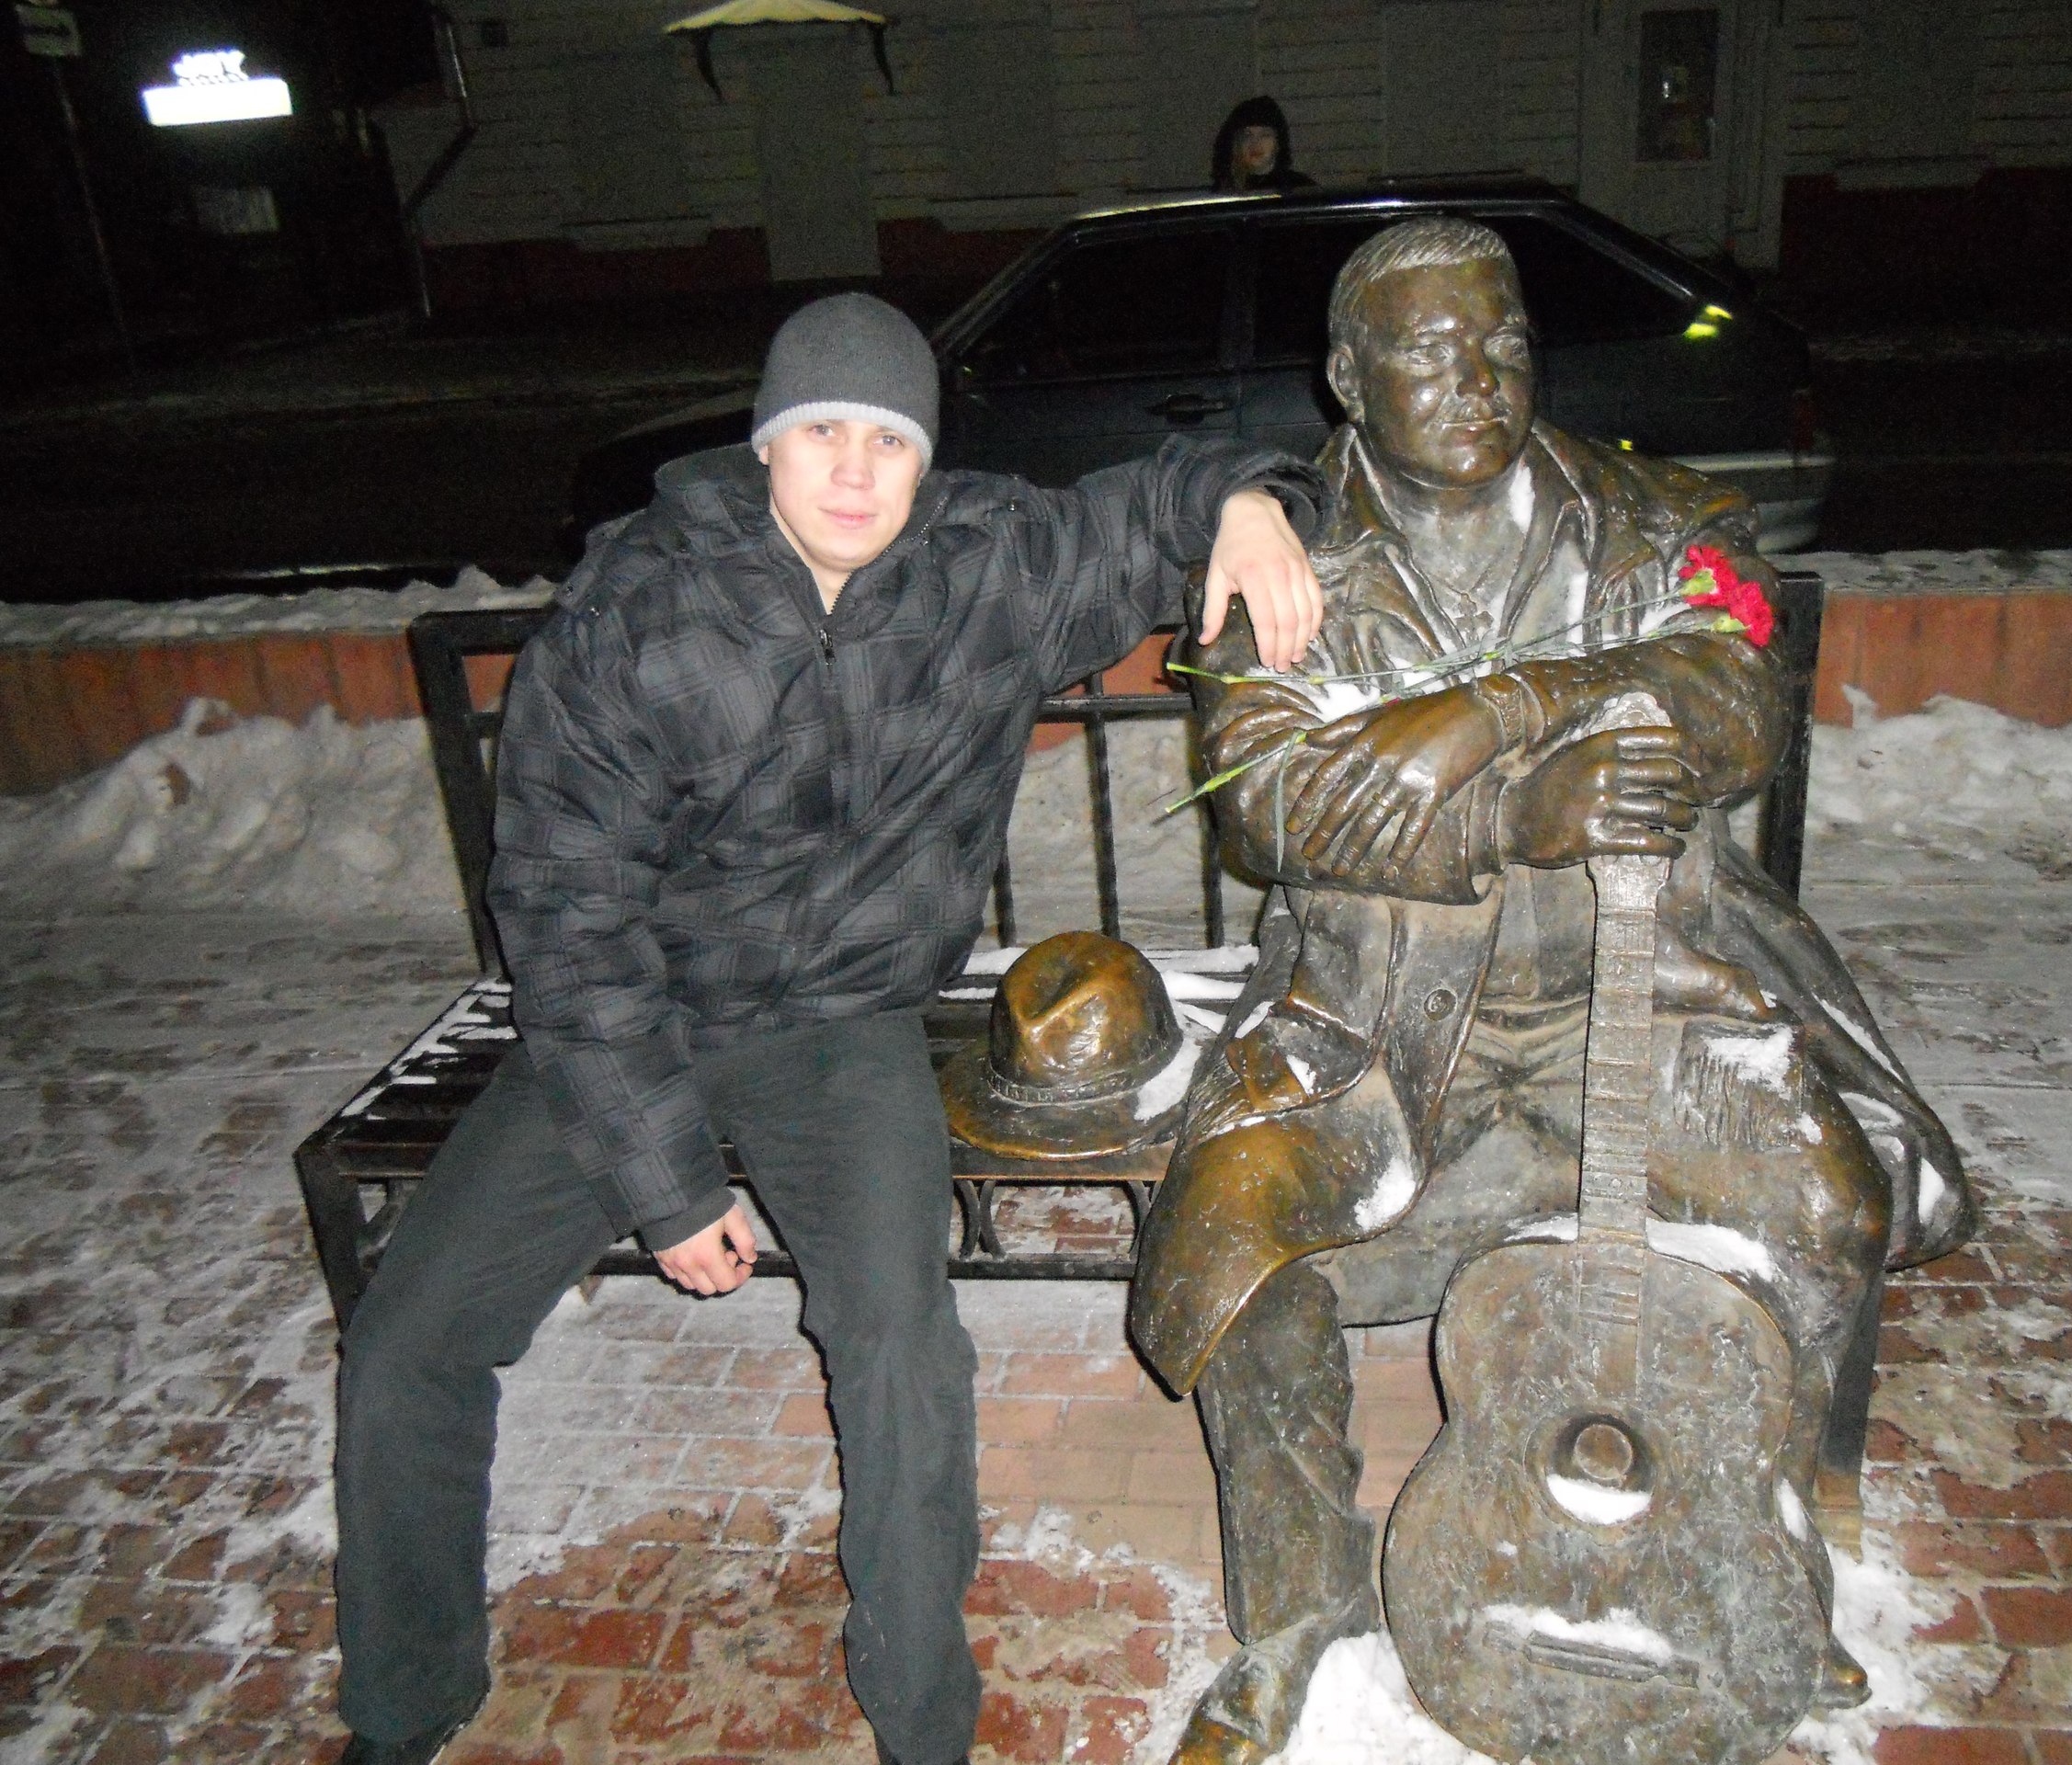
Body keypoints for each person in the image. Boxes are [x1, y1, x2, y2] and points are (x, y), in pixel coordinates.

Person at [330, 291, 1326, 1765]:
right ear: (765, 446)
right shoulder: (636, 614)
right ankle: (405, 1704)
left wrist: (1247, 506)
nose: (856, 471)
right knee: (408, 1344)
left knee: (901, 1348)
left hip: (843, 1025)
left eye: (889, 440)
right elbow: (566, 917)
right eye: (821, 435)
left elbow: (1164, 496)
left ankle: (923, 1723)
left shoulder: (984, 570)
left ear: (926, 458)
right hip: (632, 1025)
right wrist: (668, 1183)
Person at [1129, 219, 1975, 1765]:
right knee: (1239, 1248)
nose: (1481, 378)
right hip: (1377, 1034)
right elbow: (1272, 802)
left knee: (1827, 1207)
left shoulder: (1655, 517)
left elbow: (1733, 688)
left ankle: (1754, 1552)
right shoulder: (1289, 564)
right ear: (1348, 378)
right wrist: (1511, 816)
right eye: (1431, 351)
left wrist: (1498, 704)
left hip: (1650, 1003)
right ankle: (1297, 1619)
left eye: (1505, 340)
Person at [1211, 95, 1313, 193]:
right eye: (1247, 135)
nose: (1255, 143)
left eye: (1265, 135)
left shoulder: (1300, 189)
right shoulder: (1224, 192)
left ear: (1278, 143)